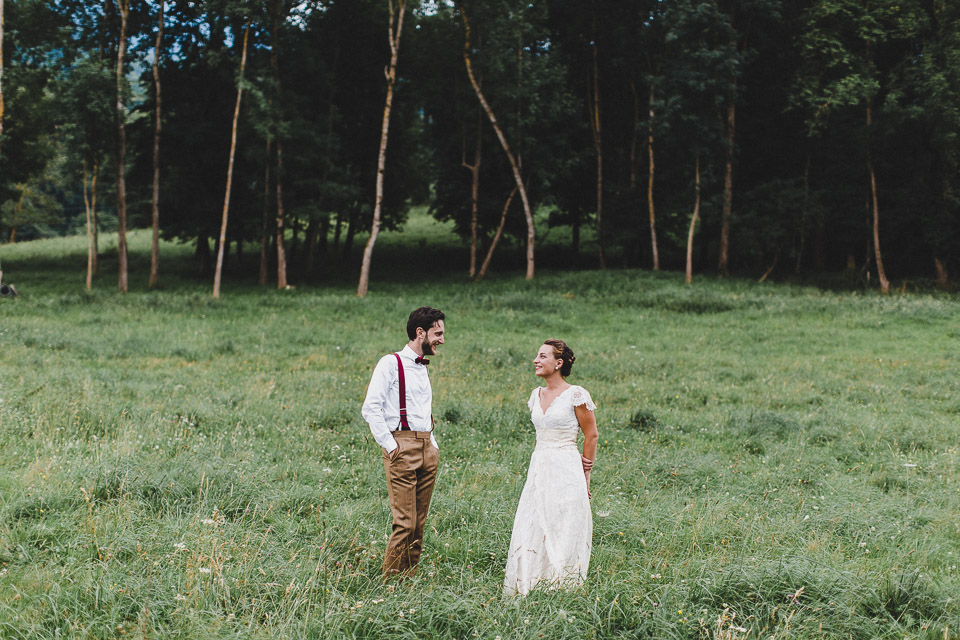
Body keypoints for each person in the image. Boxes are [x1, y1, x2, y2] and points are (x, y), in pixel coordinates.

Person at [503, 339, 598, 597]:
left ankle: (562, 586)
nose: (536, 360)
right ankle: (530, 583)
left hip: (566, 465)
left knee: (563, 522)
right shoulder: (536, 395)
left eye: (542, 356)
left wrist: (586, 472)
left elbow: (591, 436)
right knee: (533, 521)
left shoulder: (576, 394)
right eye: (536, 355)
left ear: (558, 363)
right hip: (540, 464)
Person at [362, 306, 445, 579]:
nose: (441, 340)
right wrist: (390, 444)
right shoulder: (390, 363)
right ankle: (390, 583)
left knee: (418, 524)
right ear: (420, 332)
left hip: (426, 449)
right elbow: (370, 408)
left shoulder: (422, 368)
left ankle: (408, 581)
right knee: (405, 522)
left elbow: (422, 408)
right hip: (401, 447)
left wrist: (432, 444)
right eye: (437, 333)